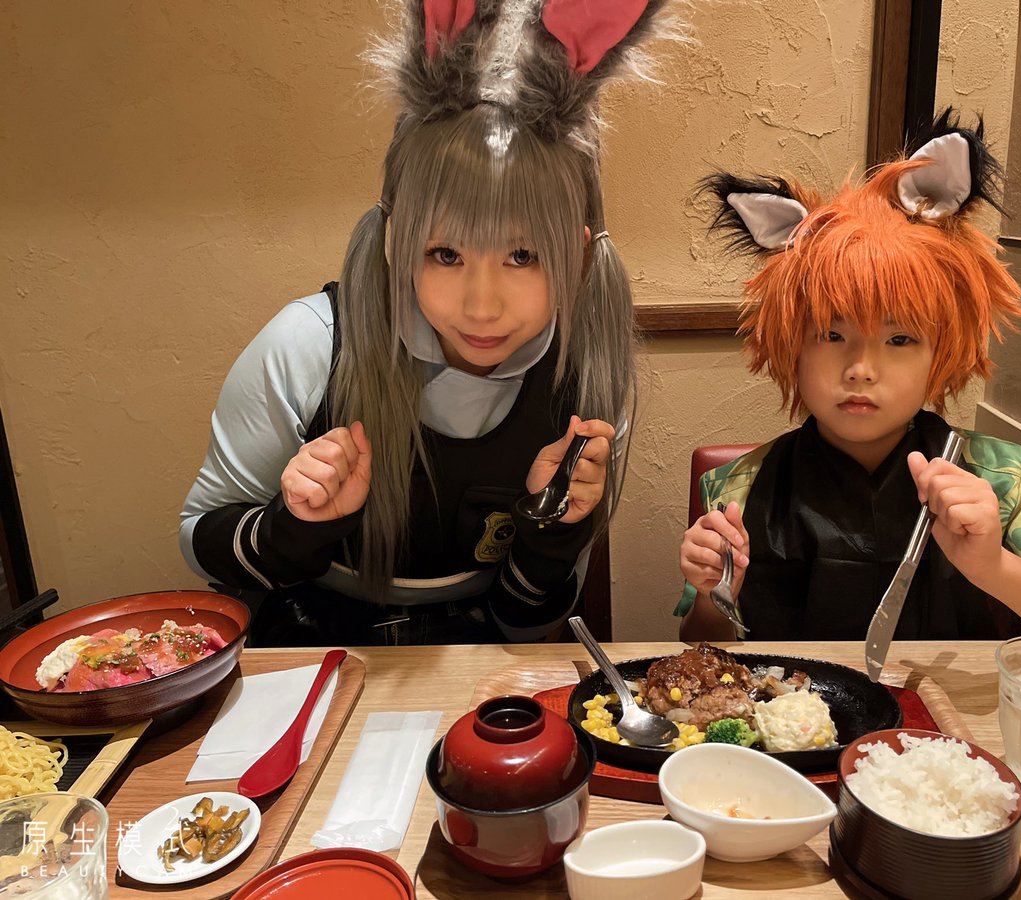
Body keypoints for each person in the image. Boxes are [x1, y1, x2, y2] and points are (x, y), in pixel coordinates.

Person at [180, 0, 681, 646]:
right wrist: (294, 525)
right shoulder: (307, 345)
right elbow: (200, 539)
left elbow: (527, 626)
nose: (481, 305)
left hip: (483, 667)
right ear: (398, 240)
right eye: (446, 254)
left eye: (523, 256)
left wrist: (550, 533)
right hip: (313, 653)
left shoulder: (584, 379)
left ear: (579, 256)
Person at [676, 110, 1021, 657]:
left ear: (941, 354)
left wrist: (994, 565)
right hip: (790, 708)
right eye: (831, 334)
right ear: (791, 347)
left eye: (899, 340)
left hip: (941, 710)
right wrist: (714, 594)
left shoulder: (995, 478)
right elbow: (700, 646)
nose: (861, 369)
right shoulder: (738, 488)